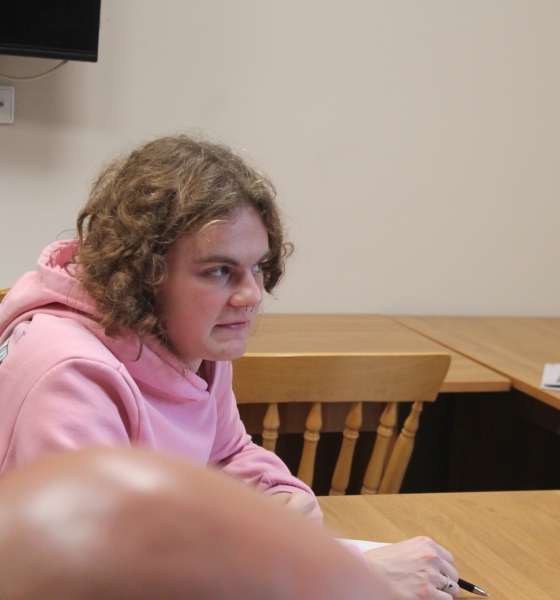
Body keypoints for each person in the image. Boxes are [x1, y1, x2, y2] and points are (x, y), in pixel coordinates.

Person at [0, 134, 459, 600]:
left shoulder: (190, 338)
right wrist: (350, 576)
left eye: (257, 267)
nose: (252, 295)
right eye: (219, 271)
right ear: (143, 272)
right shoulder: (70, 378)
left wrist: (278, 500)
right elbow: (90, 578)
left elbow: (225, 454)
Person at [0, 448, 394, 600]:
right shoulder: (72, 371)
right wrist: (362, 570)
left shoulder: (199, 354)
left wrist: (278, 491)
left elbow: (233, 447)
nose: (250, 299)